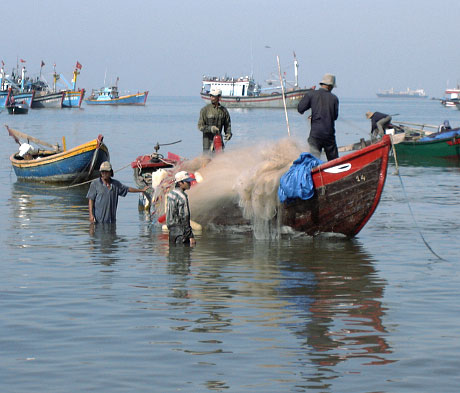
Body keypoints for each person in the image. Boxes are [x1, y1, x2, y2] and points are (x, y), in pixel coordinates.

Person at [297, 73, 339, 161]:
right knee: (335, 163)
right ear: (330, 86)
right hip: (329, 135)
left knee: (312, 162)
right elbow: (335, 117)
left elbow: (300, 109)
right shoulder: (334, 98)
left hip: (315, 135)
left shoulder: (311, 94)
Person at [166, 171, 196, 246]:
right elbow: (184, 216)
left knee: (173, 255)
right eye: (187, 182)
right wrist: (190, 236)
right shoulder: (182, 197)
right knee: (183, 255)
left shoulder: (171, 194)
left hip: (171, 231)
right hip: (181, 232)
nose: (190, 184)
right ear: (180, 183)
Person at [197, 88, 232, 154]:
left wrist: (228, 133)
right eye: (211, 96)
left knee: (220, 159)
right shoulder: (205, 110)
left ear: (219, 97)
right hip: (207, 141)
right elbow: (200, 126)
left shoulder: (224, 111)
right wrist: (211, 128)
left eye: (214, 96)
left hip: (219, 140)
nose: (212, 98)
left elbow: (227, 124)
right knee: (207, 159)